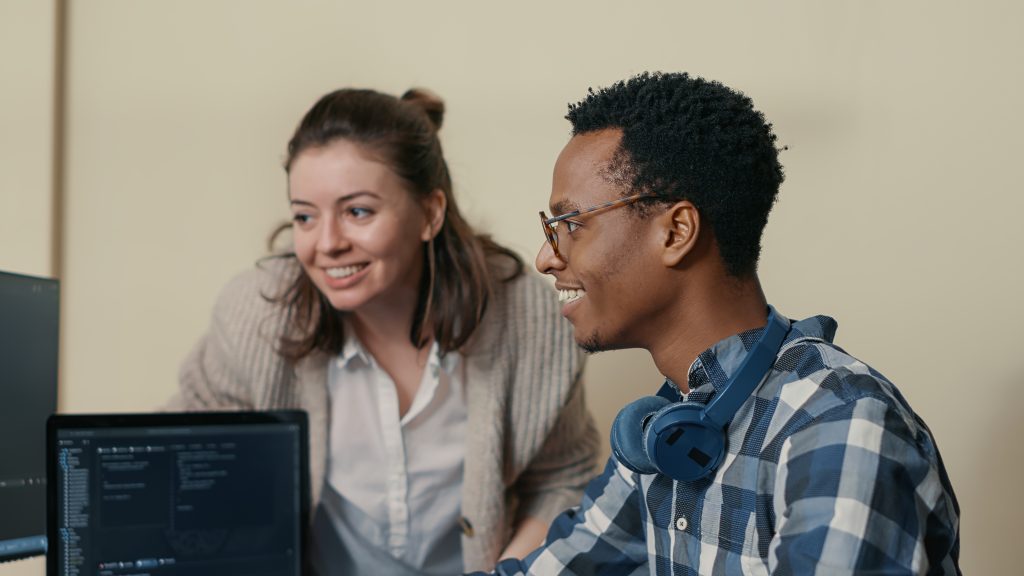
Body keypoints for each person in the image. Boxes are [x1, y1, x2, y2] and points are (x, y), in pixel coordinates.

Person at [478, 72, 961, 575]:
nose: (544, 258)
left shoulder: (840, 425)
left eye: (570, 224)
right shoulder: (666, 429)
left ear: (677, 231)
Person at [168, 87, 600, 575]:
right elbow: (182, 459)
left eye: (358, 212)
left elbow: (562, 477)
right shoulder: (258, 313)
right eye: (305, 217)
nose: (326, 244)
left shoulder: (528, 317)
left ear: (430, 213)